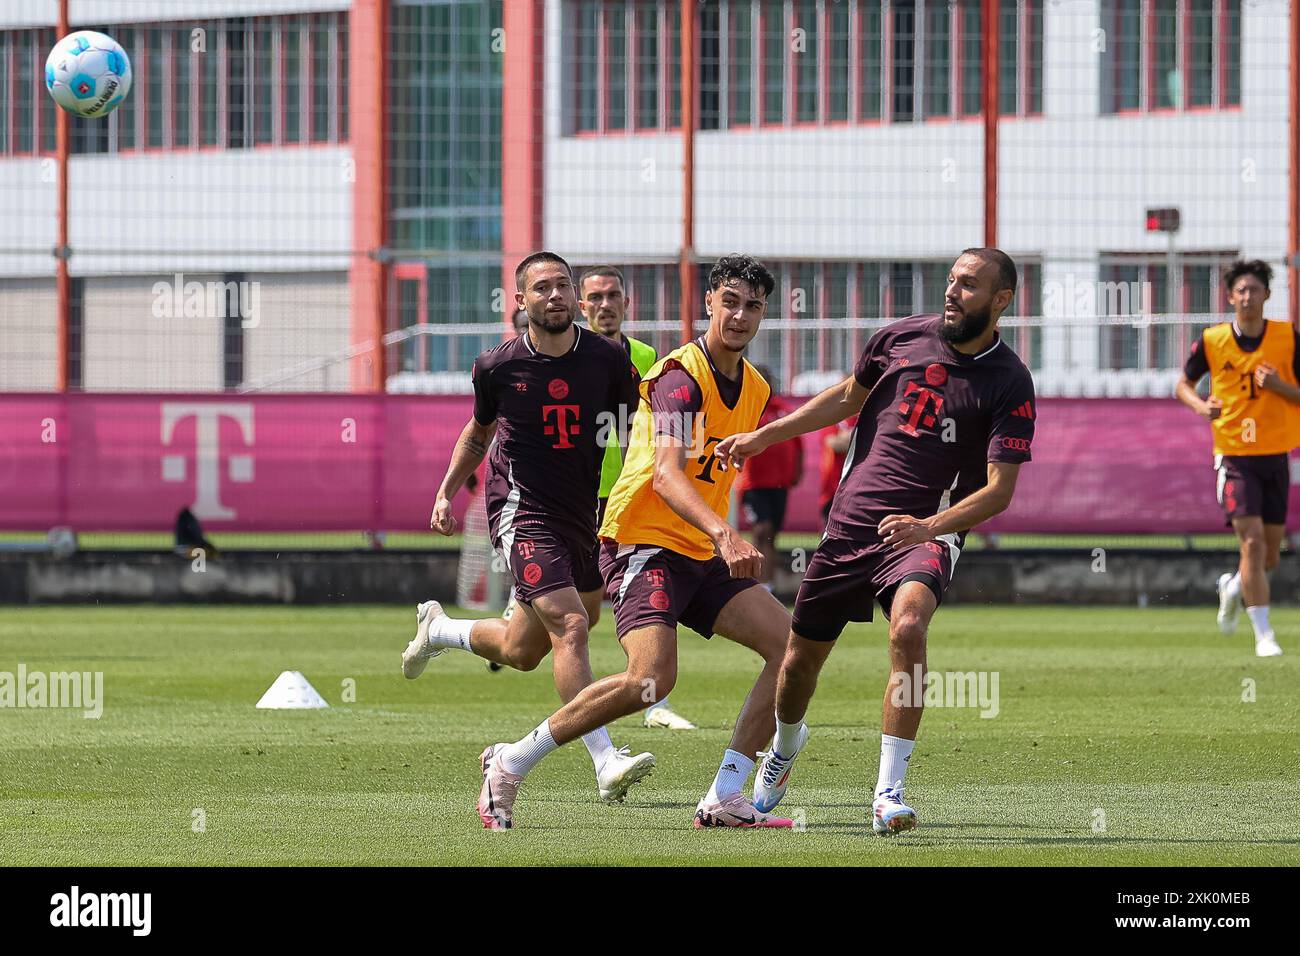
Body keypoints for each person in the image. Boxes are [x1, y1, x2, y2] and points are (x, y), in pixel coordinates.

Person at [715, 248, 1036, 836]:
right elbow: (844, 398)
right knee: (798, 664)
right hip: (848, 527)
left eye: (969, 285)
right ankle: (784, 749)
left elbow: (999, 491)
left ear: (1001, 301)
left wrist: (930, 529)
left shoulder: (1010, 381)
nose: (952, 291)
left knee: (909, 628)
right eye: (951, 280)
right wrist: (764, 436)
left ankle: (889, 793)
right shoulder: (897, 338)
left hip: (923, 534)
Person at [473, 254, 795, 830]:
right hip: (643, 543)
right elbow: (668, 477)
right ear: (709, 305)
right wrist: (726, 533)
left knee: (789, 647)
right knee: (651, 681)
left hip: (698, 549)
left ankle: (725, 794)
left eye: (753, 306)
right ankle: (512, 760)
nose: (741, 315)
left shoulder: (756, 386)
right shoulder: (677, 377)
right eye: (731, 302)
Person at [401, 251, 655, 804]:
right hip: (522, 512)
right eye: (542, 288)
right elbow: (477, 432)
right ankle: (605, 759)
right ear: (521, 302)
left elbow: (641, 429)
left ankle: (441, 631)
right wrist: (445, 491)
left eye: (563, 285)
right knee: (573, 626)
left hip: (583, 514)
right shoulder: (497, 366)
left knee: (523, 650)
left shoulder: (609, 361)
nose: (556, 295)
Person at [579, 264, 698, 731]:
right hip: (580, 494)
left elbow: (653, 421)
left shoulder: (648, 354)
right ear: (582, 304)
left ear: (627, 303)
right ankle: (462, 629)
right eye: (596, 297)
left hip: (628, 493)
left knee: (645, 595)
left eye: (613, 296)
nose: (605, 305)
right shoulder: (574, 356)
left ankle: (651, 700)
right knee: (578, 616)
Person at [1176, 259, 1295, 657]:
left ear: (1267, 295)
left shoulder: (1287, 338)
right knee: (1253, 542)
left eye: (1254, 289)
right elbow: (1183, 385)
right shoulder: (1213, 340)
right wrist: (1200, 405)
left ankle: (1232, 586)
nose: (1247, 296)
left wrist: (1279, 386)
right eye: (1240, 290)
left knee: (1270, 556)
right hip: (1234, 456)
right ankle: (1264, 633)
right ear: (1230, 297)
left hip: (1275, 455)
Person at [734, 364, 803, 590]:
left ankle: (769, 586)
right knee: (761, 530)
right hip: (753, 484)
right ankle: (755, 584)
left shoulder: (782, 409)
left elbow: (797, 443)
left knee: (772, 534)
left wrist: (796, 472)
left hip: (779, 483)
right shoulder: (746, 408)